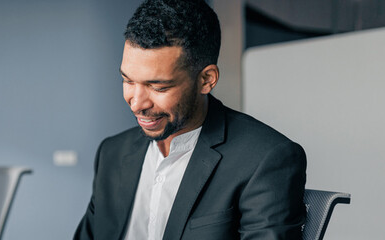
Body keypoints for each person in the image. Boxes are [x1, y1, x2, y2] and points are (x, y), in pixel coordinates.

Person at [74, 0, 306, 239]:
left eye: (158, 87)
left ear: (206, 80)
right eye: (128, 81)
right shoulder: (111, 153)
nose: (136, 103)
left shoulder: (266, 159)